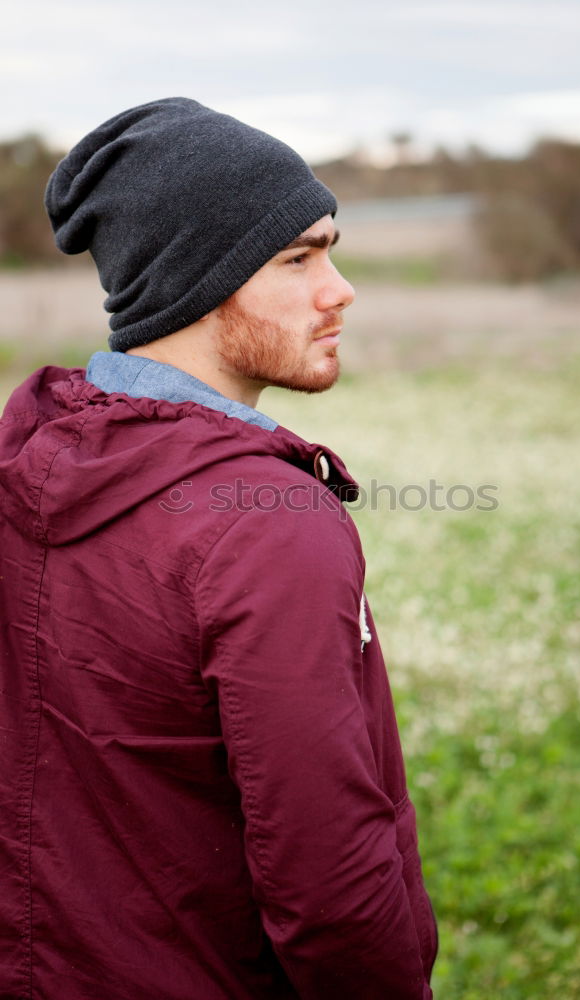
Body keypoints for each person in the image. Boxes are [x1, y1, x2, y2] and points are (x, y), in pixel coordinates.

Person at [0, 98, 437, 999]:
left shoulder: (26, 468)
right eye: (297, 257)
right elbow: (331, 883)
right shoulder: (267, 523)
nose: (339, 288)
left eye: (333, 249)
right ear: (197, 278)